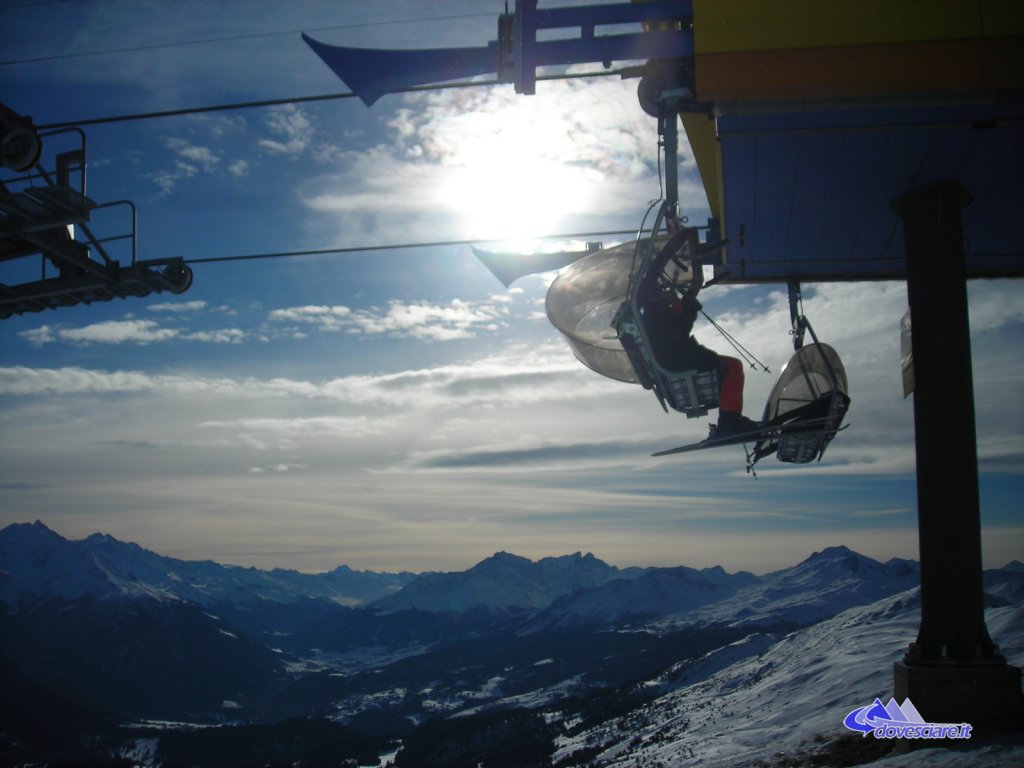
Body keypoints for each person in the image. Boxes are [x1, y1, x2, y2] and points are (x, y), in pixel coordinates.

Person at [637, 234, 759, 437]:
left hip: (675, 355)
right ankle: (729, 421)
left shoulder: (652, 305)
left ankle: (730, 418)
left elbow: (676, 326)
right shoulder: (651, 299)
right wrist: (677, 242)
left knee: (729, 367)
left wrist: (683, 305)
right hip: (679, 357)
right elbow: (678, 329)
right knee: (731, 367)